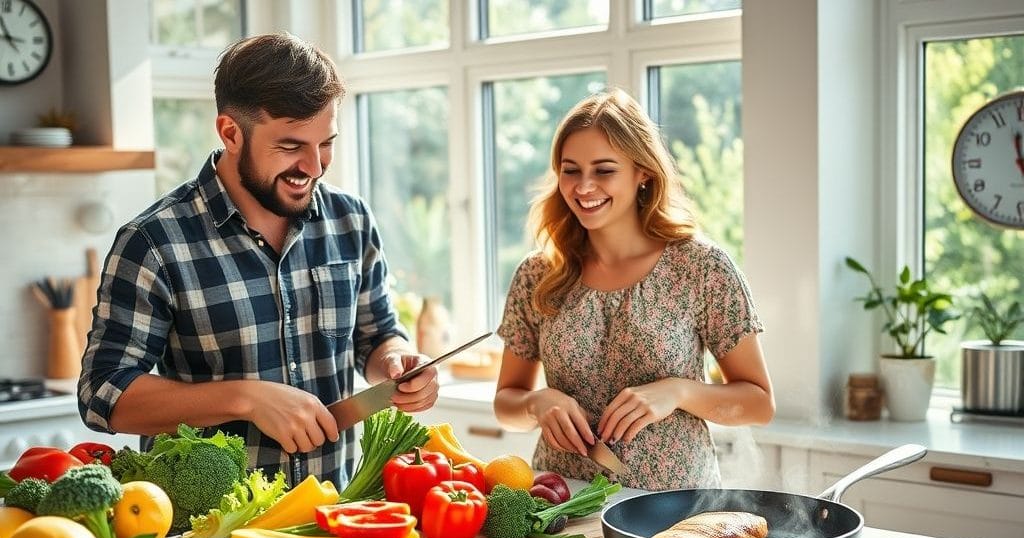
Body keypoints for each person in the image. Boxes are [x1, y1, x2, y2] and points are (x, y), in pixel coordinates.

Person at [78, 33, 439, 487]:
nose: (314, 166)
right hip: (208, 536)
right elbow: (102, 393)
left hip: (332, 513)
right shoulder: (154, 242)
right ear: (231, 133)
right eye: (291, 147)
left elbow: (376, 334)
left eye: (325, 143)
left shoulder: (350, 219)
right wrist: (245, 399)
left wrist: (398, 361)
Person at [493, 88, 774, 490]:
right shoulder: (538, 274)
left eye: (604, 170)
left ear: (642, 172)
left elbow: (759, 403)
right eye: (571, 170)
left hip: (674, 507)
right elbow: (507, 403)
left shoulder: (701, 268)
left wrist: (678, 392)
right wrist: (537, 404)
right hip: (560, 499)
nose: (584, 187)